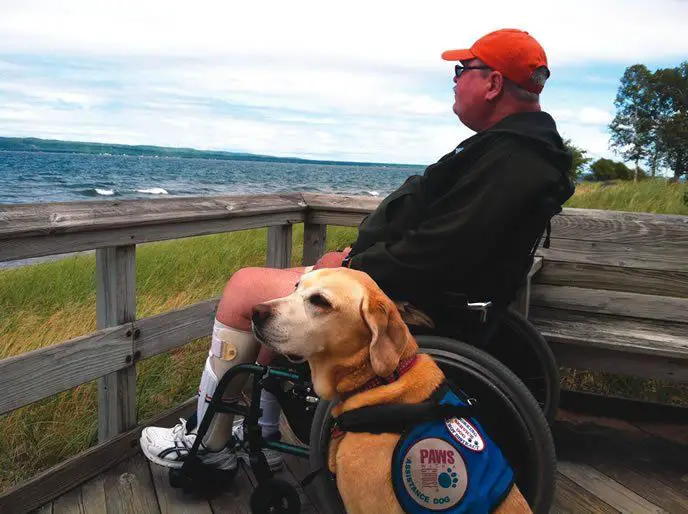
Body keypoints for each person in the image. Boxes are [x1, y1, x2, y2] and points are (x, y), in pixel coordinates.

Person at [140, 28, 574, 473]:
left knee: (245, 288)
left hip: (414, 303)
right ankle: (262, 432)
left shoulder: (511, 161)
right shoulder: (516, 153)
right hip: (435, 294)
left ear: (494, 83)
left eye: (464, 69)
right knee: (281, 300)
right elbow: (447, 239)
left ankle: (206, 444)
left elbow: (436, 254)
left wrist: (352, 265)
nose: (457, 78)